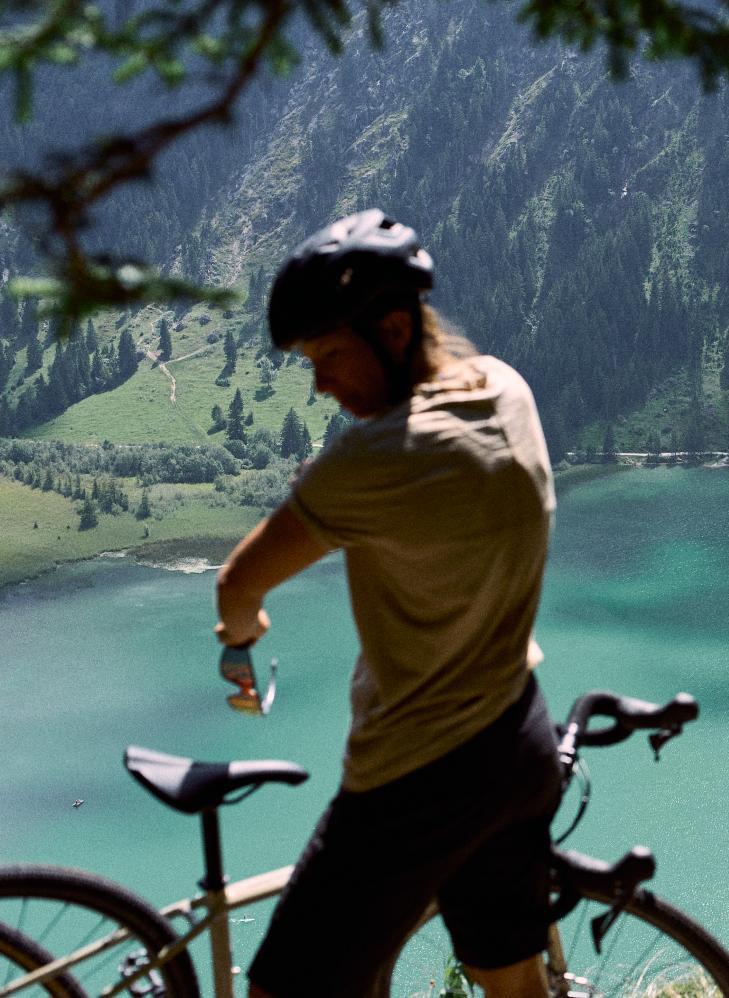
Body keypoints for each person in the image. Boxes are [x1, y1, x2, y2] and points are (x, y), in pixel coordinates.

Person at [213, 209, 560, 997]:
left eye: (329, 355)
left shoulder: (372, 460)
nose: (319, 381)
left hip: (417, 782)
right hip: (518, 739)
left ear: (395, 330)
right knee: (512, 981)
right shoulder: (508, 389)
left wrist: (241, 637)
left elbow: (238, 583)